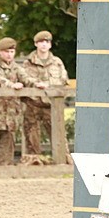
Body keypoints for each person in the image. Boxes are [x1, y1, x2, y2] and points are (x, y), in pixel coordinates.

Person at [20, 30, 69, 165]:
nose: (43, 45)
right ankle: (34, 165)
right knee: (32, 138)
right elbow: (23, 78)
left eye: (46, 42)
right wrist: (36, 84)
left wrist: (48, 84)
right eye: (41, 42)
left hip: (51, 105)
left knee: (59, 136)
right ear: (36, 44)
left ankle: (64, 163)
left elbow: (63, 80)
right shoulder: (28, 63)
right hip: (33, 104)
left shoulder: (57, 62)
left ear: (50, 45)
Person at [0, 38, 43, 165]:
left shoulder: (15, 67)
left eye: (12, 52)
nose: (9, 55)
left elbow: (26, 78)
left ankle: (4, 175)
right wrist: (11, 85)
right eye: (6, 52)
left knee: (6, 155)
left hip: (10, 118)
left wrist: (37, 84)